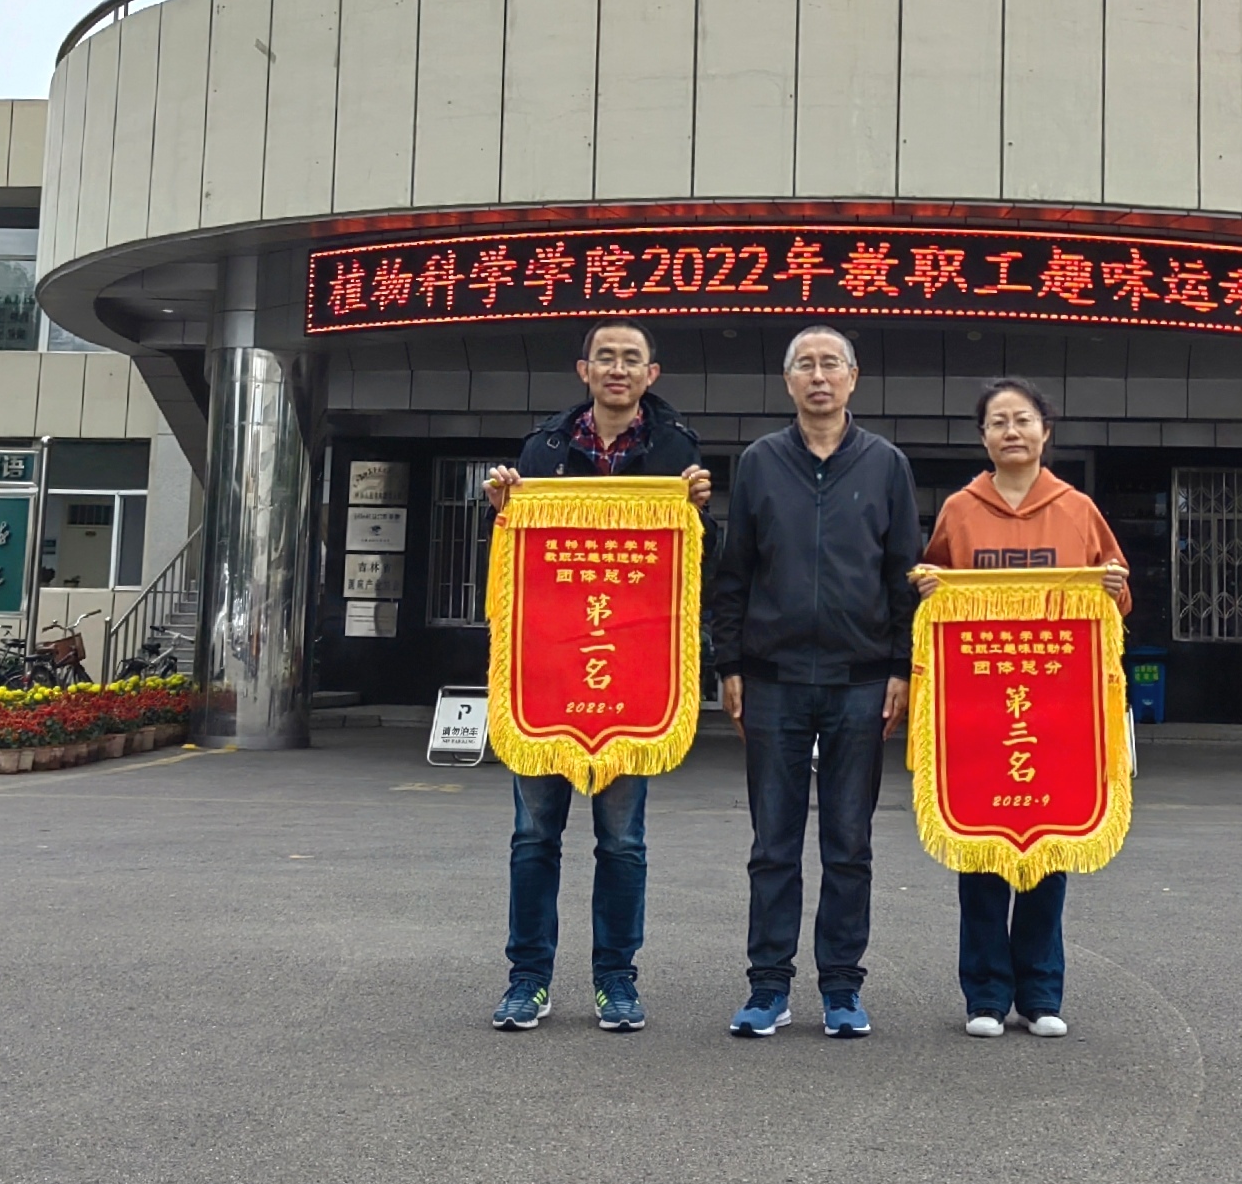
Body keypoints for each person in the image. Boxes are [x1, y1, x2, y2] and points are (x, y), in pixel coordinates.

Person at [482, 320, 712, 1034]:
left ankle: (616, 979)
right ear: (583, 370)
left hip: (629, 681)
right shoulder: (544, 449)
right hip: (547, 677)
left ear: (652, 374)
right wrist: (502, 511)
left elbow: (693, 569)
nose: (618, 368)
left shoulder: (676, 450)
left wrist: (700, 514)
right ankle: (528, 979)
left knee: (622, 843)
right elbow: (519, 567)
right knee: (533, 837)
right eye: (605, 357)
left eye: (631, 359)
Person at [708, 325, 922, 1039]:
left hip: (861, 681)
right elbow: (735, 573)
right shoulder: (761, 462)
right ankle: (768, 986)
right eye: (806, 365)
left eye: (832, 364)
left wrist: (901, 668)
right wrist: (729, 665)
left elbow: (904, 575)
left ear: (854, 378)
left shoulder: (886, 464)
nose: (820, 376)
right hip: (772, 680)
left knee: (848, 844)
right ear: (788, 380)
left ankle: (842, 987)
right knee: (773, 843)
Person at [910, 379, 1130, 1040]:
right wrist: (927, 587)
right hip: (978, 710)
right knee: (980, 850)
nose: (1012, 431)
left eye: (1023, 420)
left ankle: (1040, 994)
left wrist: (1113, 588)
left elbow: (1115, 603)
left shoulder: (1077, 509)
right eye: (998, 422)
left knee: (1047, 851)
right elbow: (933, 593)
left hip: (1057, 712)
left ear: (1045, 431)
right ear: (983, 437)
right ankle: (984, 995)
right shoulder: (959, 510)